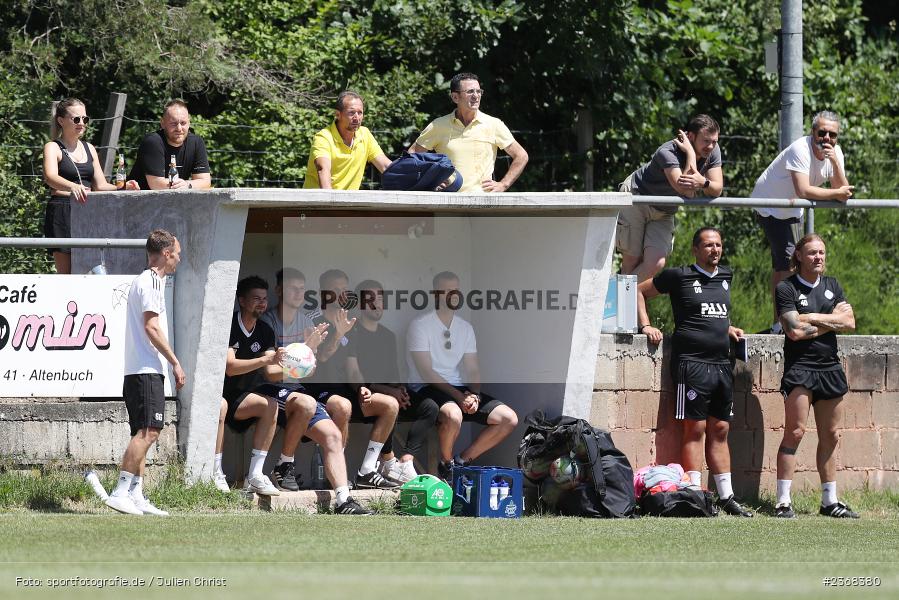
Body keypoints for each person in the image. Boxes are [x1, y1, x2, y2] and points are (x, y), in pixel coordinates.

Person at [221, 276, 370, 513]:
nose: (299, 293)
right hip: (264, 391)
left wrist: (309, 353)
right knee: (306, 403)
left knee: (333, 435)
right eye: (294, 288)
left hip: (291, 388)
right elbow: (270, 373)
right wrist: (304, 353)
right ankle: (284, 465)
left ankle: (344, 500)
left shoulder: (294, 323)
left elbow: (304, 367)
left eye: (302, 288)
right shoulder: (262, 322)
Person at [636, 227, 753, 517]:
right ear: (695, 250)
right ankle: (697, 492)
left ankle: (726, 496)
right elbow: (639, 291)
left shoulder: (726, 276)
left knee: (721, 428)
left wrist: (727, 328)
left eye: (718, 245)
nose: (715, 250)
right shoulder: (679, 275)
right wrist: (645, 325)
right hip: (692, 364)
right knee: (695, 428)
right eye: (709, 245)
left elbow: (710, 314)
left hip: (721, 364)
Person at [774, 234, 857, 518]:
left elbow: (850, 322)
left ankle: (829, 502)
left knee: (831, 435)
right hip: (800, 369)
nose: (818, 257)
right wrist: (831, 320)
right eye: (812, 253)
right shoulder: (786, 287)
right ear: (799, 256)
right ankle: (783, 501)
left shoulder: (833, 285)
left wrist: (811, 317)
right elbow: (794, 332)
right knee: (795, 433)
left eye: (821, 252)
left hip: (829, 368)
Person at [406, 271, 519, 481]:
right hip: (426, 388)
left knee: (508, 419)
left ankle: (461, 461)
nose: (452, 295)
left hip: (459, 389)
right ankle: (446, 464)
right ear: (435, 294)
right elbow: (426, 372)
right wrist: (460, 398)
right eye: (446, 290)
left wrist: (474, 395)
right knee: (453, 415)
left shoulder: (465, 328)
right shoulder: (420, 325)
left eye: (455, 290)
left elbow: (473, 368)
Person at [105, 230, 185, 516]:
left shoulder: (148, 282)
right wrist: (175, 361)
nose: (178, 259)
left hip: (140, 371)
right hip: (145, 370)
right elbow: (151, 328)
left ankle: (135, 494)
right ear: (165, 254)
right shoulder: (150, 281)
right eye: (176, 254)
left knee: (144, 431)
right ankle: (120, 491)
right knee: (150, 432)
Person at [751, 110, 853, 333]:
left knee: (785, 265)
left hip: (792, 209)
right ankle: (782, 322)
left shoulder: (836, 153)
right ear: (812, 132)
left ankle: (780, 322)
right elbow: (804, 189)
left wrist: (835, 164)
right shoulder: (800, 149)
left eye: (832, 135)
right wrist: (836, 193)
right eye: (822, 132)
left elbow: (843, 190)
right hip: (772, 205)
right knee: (789, 264)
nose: (827, 138)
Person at [304, 269, 401, 489]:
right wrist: (338, 334)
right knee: (342, 405)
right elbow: (322, 357)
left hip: (343, 391)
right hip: (316, 391)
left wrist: (361, 388)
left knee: (389, 404)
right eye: (335, 289)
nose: (341, 294)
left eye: (344, 290)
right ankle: (338, 474)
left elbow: (352, 369)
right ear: (323, 293)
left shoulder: (351, 324)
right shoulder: (311, 321)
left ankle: (366, 470)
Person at [345, 279, 439, 483]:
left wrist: (400, 390)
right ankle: (387, 463)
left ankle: (404, 462)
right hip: (363, 394)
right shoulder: (352, 331)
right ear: (360, 303)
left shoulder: (388, 335)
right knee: (391, 403)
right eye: (370, 298)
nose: (376, 303)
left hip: (389, 393)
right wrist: (387, 391)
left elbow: (393, 371)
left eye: (380, 298)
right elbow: (353, 376)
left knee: (429, 407)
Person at [616, 114, 723, 283]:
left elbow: (716, 189)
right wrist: (690, 154)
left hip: (664, 209)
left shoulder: (713, 150)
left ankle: (614, 295)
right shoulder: (668, 151)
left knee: (655, 263)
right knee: (632, 260)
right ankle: (621, 305)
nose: (711, 146)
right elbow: (685, 190)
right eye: (706, 141)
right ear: (690, 137)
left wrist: (703, 182)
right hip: (637, 197)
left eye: (714, 141)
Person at [41, 98, 137, 274]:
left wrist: (123, 187)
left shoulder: (89, 148)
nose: (82, 123)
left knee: (94, 270)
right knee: (67, 275)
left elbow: (100, 185)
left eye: (85, 119)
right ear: (61, 121)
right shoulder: (52, 147)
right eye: (76, 119)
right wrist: (73, 186)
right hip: (63, 212)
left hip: (88, 213)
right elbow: (50, 176)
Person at [410, 72, 528, 194]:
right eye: (470, 92)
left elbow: (521, 155)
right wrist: (429, 181)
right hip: (446, 203)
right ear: (455, 97)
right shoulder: (438, 125)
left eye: (478, 91)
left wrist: (503, 184)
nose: (476, 96)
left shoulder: (494, 124)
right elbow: (412, 155)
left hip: (484, 203)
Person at [303, 91, 392, 190]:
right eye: (351, 112)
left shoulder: (365, 134)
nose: (356, 118)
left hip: (348, 203)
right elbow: (323, 169)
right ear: (338, 114)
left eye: (360, 113)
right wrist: (329, 202)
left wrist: (409, 171)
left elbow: (385, 166)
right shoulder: (323, 137)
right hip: (318, 203)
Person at [128, 99, 212, 191]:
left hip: (174, 200)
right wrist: (182, 186)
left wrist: (188, 184)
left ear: (189, 123)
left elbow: (205, 182)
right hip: (139, 201)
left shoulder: (196, 142)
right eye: (173, 124)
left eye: (183, 123)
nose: (179, 128)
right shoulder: (153, 142)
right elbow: (157, 185)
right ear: (163, 123)